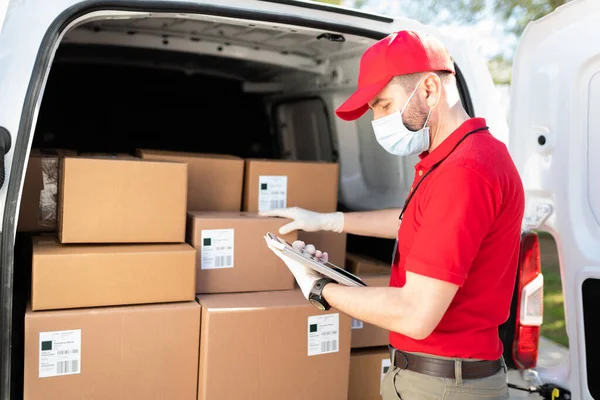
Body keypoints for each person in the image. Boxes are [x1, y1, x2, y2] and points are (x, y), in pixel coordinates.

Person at [262, 30, 524, 400]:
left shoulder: (465, 172)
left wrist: (320, 288)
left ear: (430, 89)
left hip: (444, 385)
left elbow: (414, 314)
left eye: (384, 105)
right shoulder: (458, 157)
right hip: (438, 378)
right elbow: (415, 223)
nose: (378, 121)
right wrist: (328, 221)